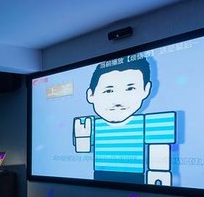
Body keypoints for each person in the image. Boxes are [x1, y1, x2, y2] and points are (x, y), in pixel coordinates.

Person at [73, 57, 176, 185]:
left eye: (130, 89)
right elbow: (82, 150)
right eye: (108, 90)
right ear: (90, 95)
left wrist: (158, 179)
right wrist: (82, 136)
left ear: (146, 90)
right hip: (100, 178)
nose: (118, 100)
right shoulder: (91, 125)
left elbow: (159, 155)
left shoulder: (149, 123)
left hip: (135, 179)